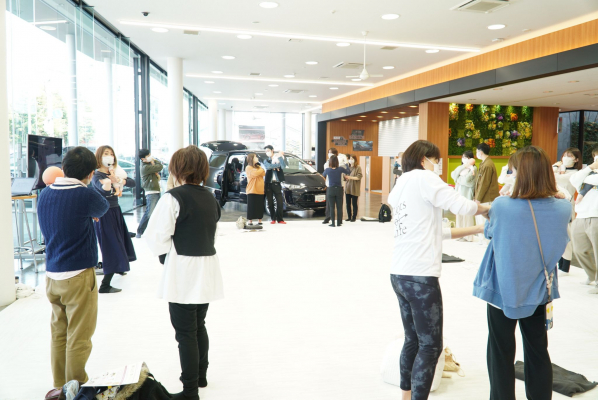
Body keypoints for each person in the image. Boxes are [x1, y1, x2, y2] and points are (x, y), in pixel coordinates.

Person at [388, 140, 489, 400]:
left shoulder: (400, 184)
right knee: (431, 346)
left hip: (399, 274)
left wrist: (478, 228)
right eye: (436, 160)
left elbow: (436, 231)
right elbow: (462, 206)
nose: (438, 165)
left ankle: (405, 396)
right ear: (424, 160)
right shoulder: (425, 178)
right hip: (421, 277)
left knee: (412, 340)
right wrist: (486, 208)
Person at [473, 146, 572, 399]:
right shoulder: (563, 208)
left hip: (502, 288)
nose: (510, 175)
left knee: (500, 351)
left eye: (512, 171)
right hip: (539, 288)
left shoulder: (502, 205)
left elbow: (490, 233)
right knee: (537, 349)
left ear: (521, 174)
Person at [145, 146, 224, 400]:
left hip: (183, 270)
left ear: (177, 168)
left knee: (185, 332)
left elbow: (157, 236)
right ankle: (201, 376)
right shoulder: (210, 197)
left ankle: (190, 392)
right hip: (207, 267)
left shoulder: (172, 198)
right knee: (199, 325)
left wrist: (163, 256)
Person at [38, 147, 110, 392]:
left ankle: (60, 387)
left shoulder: (45, 194)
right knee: (79, 336)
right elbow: (102, 208)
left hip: (52, 275)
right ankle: (75, 390)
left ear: (63, 168)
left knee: (59, 333)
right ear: (90, 174)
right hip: (78, 275)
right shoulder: (84, 194)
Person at [92, 146, 137, 293]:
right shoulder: (97, 175)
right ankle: (105, 285)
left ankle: (119, 267)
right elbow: (102, 189)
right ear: (99, 156)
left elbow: (132, 182)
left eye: (111, 154)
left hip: (115, 210)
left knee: (120, 241)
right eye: (106, 154)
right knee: (111, 246)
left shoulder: (114, 172)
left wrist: (120, 181)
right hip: (104, 214)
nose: (110, 156)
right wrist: (109, 182)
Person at [570, 153, 598, 293]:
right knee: (579, 249)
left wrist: (588, 180)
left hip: (596, 216)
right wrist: (590, 168)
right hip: (581, 216)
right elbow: (573, 179)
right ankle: (591, 274)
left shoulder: (589, 178)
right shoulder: (586, 174)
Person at [552, 147, 582, 273]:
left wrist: (555, 167)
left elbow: (552, 177)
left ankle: (565, 266)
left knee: (566, 235)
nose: (565, 158)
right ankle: (559, 263)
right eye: (564, 155)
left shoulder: (575, 173)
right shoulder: (561, 171)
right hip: (555, 205)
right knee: (556, 235)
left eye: (569, 156)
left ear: (576, 159)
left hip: (567, 205)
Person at [474, 143, 500, 244]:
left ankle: (485, 240)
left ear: (480, 152)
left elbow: (484, 183)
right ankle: (482, 239)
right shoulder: (484, 163)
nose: (476, 153)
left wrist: (478, 198)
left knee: (484, 219)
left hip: (486, 197)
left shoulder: (488, 165)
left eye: (477, 151)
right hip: (482, 197)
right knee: (480, 218)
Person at [450, 150, 477, 241]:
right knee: (459, 215)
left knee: (467, 215)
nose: (464, 159)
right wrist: (463, 167)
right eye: (463, 157)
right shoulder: (461, 167)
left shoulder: (474, 168)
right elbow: (453, 175)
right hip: (458, 195)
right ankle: (459, 235)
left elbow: (467, 181)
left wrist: (458, 179)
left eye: (467, 158)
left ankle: (468, 237)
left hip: (467, 195)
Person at [136, 149, 163, 238]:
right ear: (143, 159)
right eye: (148, 156)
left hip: (155, 190)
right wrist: (154, 160)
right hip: (151, 191)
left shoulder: (148, 165)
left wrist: (152, 161)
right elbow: (160, 167)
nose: (150, 157)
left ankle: (152, 231)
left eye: (150, 155)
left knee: (156, 212)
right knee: (149, 212)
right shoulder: (145, 167)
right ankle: (140, 231)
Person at [322, 147, 349, 224]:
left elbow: (325, 173)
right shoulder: (328, 161)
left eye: (331, 152)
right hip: (330, 185)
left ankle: (337, 220)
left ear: (335, 153)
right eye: (328, 152)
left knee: (336, 205)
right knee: (331, 204)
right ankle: (329, 218)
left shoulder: (340, 160)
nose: (329, 154)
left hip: (337, 185)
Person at [262, 145, 286, 224]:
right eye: (266, 151)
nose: (267, 152)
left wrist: (279, 158)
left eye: (268, 150)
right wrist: (277, 165)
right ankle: (273, 218)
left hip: (277, 183)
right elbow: (268, 167)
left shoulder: (279, 157)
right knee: (270, 202)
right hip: (268, 183)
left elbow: (283, 166)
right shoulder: (266, 160)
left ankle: (280, 219)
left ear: (272, 150)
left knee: (280, 202)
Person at [245, 153, 266, 225]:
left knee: (259, 205)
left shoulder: (259, 167)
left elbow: (263, 173)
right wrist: (260, 170)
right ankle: (250, 220)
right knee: (251, 205)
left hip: (260, 189)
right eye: (255, 157)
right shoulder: (248, 167)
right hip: (252, 189)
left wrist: (259, 170)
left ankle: (259, 220)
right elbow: (255, 174)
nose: (257, 158)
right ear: (251, 158)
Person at [344, 154, 363, 222]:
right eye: (350, 159)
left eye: (352, 159)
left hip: (354, 188)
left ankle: (354, 217)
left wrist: (350, 177)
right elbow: (345, 177)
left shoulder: (358, 167)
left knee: (354, 203)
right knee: (348, 203)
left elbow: (359, 177)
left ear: (355, 159)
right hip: (348, 188)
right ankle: (349, 216)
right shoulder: (347, 167)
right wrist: (345, 177)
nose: (350, 160)